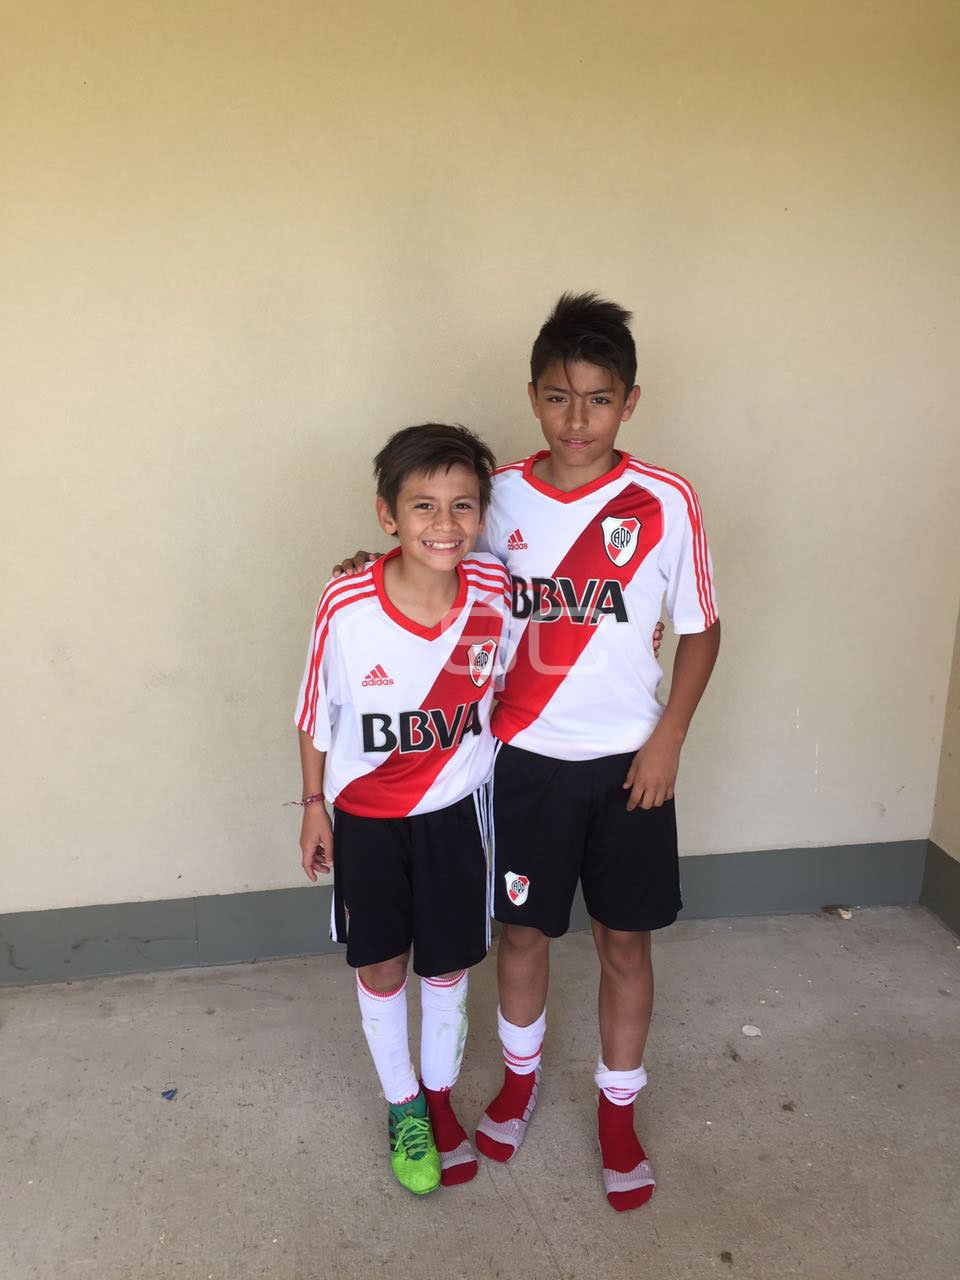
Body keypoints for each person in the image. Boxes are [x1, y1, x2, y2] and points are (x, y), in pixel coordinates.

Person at [332, 293, 720, 1212]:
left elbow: (701, 629)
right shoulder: (497, 493)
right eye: (557, 397)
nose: (576, 419)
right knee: (521, 934)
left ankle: (618, 1115)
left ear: (630, 401)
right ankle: (517, 1083)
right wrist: (361, 567)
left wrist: (668, 738)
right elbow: (431, 554)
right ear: (533, 397)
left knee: (624, 942)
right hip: (519, 760)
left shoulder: (666, 502)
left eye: (599, 398)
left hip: (631, 766)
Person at [295, 422, 510, 1196]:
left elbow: (529, 673)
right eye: (423, 506)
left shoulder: (496, 591)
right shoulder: (346, 601)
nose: (444, 524)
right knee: (383, 963)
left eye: (462, 505)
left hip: (456, 813)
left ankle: (441, 1097)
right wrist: (314, 806)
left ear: (481, 514)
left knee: (447, 963)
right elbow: (316, 714)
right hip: (368, 820)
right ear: (387, 515)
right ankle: (404, 1105)